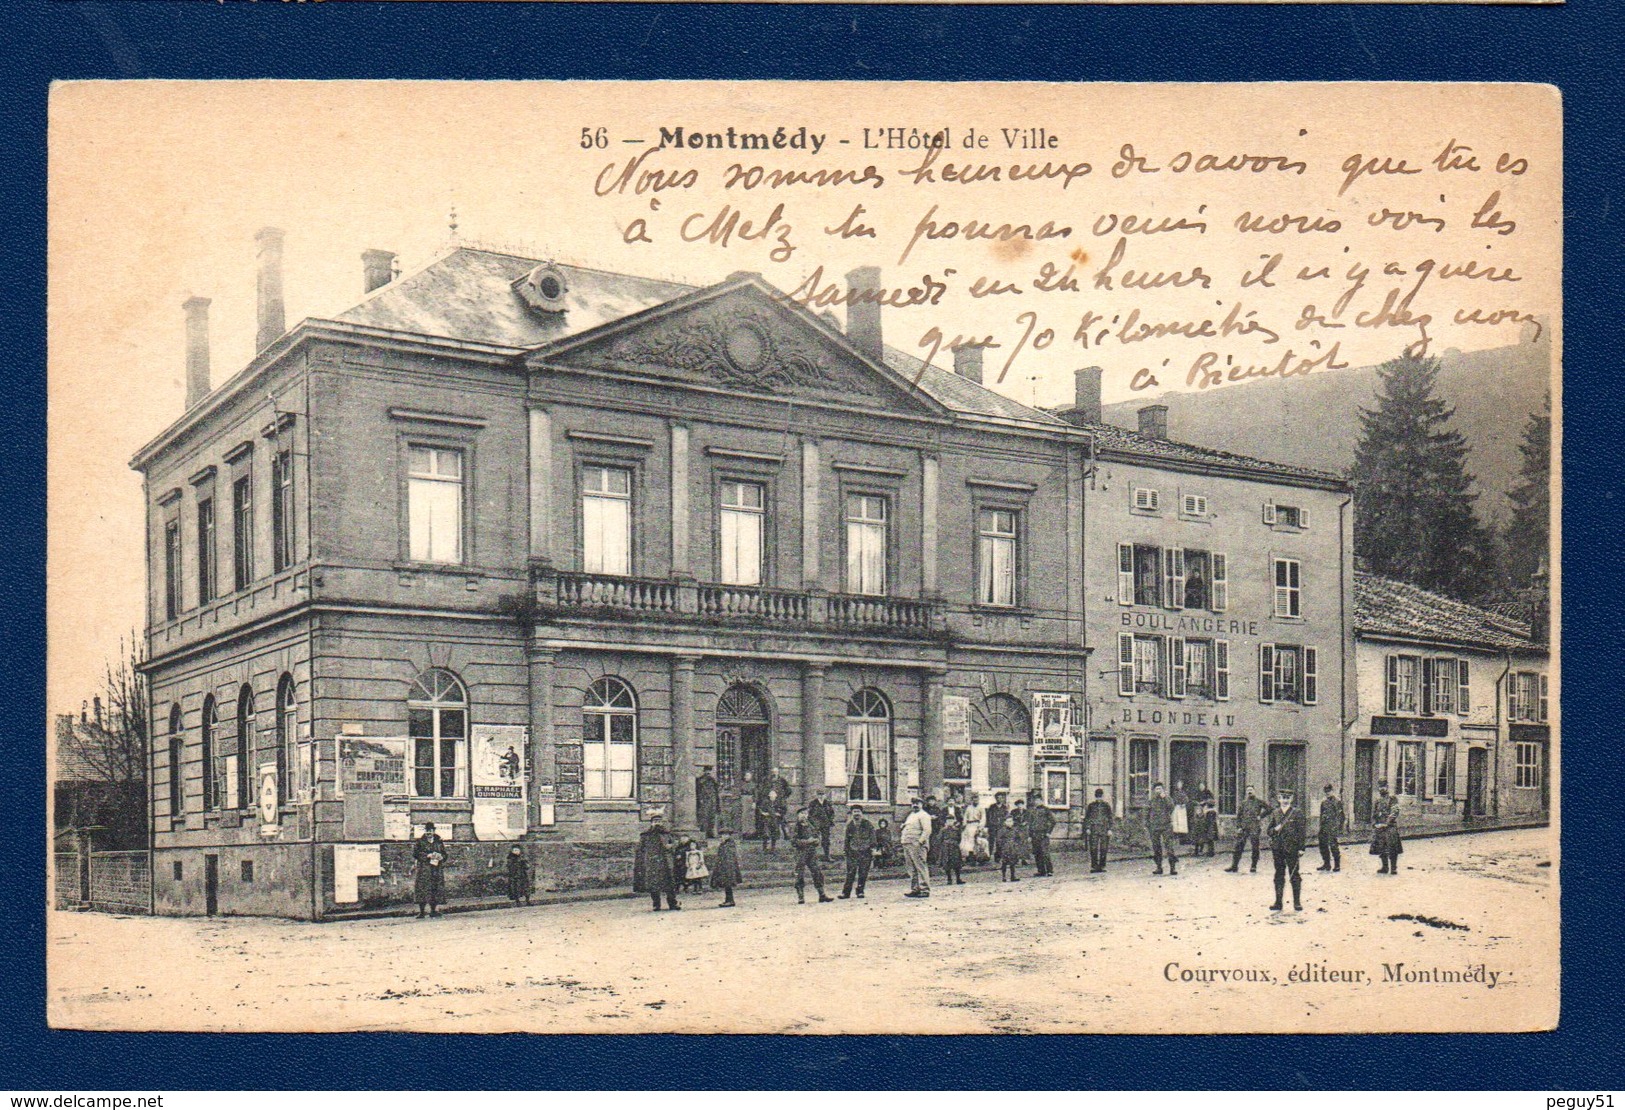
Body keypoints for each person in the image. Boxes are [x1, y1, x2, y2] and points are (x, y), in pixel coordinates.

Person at [1266, 789, 1307, 912]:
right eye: (1283, 798)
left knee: (1294, 874)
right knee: (1279, 874)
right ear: (1279, 799)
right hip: (1278, 849)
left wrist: (1301, 848)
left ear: (1291, 799)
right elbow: (1269, 830)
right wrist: (1275, 829)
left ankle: (1297, 903)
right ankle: (1278, 902)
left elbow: (1301, 832)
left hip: (1292, 848)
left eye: (1287, 798)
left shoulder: (1297, 813)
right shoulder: (1275, 813)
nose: (1285, 800)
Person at [633, 812, 680, 912]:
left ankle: (672, 903)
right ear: (651, 823)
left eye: (659, 821)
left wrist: (671, 846)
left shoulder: (667, 834)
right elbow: (640, 849)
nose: (657, 823)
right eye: (655, 821)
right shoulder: (645, 835)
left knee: (669, 884)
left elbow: (675, 844)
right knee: (654, 885)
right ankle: (656, 904)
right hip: (652, 863)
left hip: (666, 862)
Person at [791, 807, 834, 904]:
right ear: (798, 815)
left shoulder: (810, 825)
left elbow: (816, 835)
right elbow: (794, 841)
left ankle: (822, 895)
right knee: (799, 874)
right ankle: (801, 896)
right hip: (800, 853)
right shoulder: (795, 827)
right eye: (801, 813)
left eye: (805, 813)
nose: (804, 815)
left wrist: (816, 840)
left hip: (811, 852)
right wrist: (807, 841)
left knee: (817, 872)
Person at [1225, 787, 1269, 874]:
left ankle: (1253, 866)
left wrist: (1261, 816)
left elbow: (1269, 809)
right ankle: (1234, 866)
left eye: (1251, 790)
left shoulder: (1259, 802)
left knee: (1255, 847)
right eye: (1248, 790)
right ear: (1246, 792)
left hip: (1254, 827)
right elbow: (1239, 816)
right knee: (1238, 846)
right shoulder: (1243, 803)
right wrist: (1238, 827)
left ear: (1254, 791)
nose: (1249, 792)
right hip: (1244, 827)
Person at [412, 822, 448, 918]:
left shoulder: (439, 841)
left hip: (436, 869)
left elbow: (445, 854)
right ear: (425, 831)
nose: (429, 833)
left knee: (435, 889)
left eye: (431, 831)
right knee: (422, 889)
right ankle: (422, 912)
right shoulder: (420, 841)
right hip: (424, 869)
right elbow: (415, 853)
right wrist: (427, 855)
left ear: (433, 831)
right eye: (427, 831)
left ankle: (433, 911)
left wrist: (441, 857)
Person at [840, 805, 876, 898]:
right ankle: (846, 893)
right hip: (852, 852)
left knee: (863, 872)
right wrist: (845, 850)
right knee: (850, 873)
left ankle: (860, 891)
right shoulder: (850, 825)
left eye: (858, 811)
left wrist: (873, 848)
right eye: (854, 812)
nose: (856, 814)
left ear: (862, 813)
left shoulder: (867, 824)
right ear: (852, 814)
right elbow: (847, 839)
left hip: (865, 851)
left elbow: (872, 837)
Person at [901, 798, 933, 898]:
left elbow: (927, 830)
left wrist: (920, 842)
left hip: (917, 844)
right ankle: (915, 889)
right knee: (911, 868)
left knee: (920, 867)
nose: (915, 805)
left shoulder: (924, 815)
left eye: (917, 803)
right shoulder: (911, 815)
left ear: (922, 804)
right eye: (913, 803)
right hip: (908, 843)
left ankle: (925, 889)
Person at [1146, 782, 1178, 875]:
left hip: (1166, 825)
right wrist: (1147, 824)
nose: (1158, 791)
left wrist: (1165, 798)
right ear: (1154, 791)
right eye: (1156, 789)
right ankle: (1158, 867)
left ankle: (1172, 868)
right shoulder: (1152, 800)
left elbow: (1171, 807)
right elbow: (1147, 812)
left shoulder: (1167, 799)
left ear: (1163, 790)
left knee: (1169, 847)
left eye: (1160, 789)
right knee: (1156, 847)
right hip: (1154, 826)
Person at [1371, 785, 1404, 874]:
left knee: (1392, 847)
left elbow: (1395, 812)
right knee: (1381, 847)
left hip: (1390, 827)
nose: (1382, 789)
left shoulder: (1392, 799)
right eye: (1380, 787)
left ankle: (1393, 868)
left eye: (1383, 786)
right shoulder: (1377, 801)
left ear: (1387, 787)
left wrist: (1386, 823)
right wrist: (1375, 824)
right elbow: (1374, 813)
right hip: (1379, 827)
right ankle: (1384, 867)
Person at [1028, 790, 1057, 877]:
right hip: (1034, 834)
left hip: (1043, 834)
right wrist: (1029, 835)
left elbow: (1053, 821)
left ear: (1041, 800)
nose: (1036, 802)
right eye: (1035, 800)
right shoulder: (1032, 811)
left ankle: (1049, 870)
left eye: (1038, 800)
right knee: (1037, 853)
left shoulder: (1046, 810)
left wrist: (1048, 832)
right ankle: (1041, 871)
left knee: (1045, 853)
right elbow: (1030, 824)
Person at [1317, 784, 1346, 872]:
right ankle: (1326, 864)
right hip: (1324, 827)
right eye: (1326, 792)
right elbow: (1322, 815)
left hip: (1333, 827)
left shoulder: (1337, 802)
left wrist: (1338, 828)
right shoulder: (1324, 803)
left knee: (1333, 846)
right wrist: (1321, 826)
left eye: (1329, 791)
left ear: (1332, 791)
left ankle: (1337, 865)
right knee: (1323, 845)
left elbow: (1341, 816)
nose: (1327, 793)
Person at [1084, 788, 1113, 872]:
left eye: (1100, 796)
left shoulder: (1106, 806)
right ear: (1095, 796)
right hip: (1094, 829)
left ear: (1103, 796)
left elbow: (1110, 818)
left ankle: (1102, 866)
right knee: (1093, 848)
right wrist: (1088, 828)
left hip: (1104, 829)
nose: (1099, 798)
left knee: (1104, 848)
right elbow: (1087, 818)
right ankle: (1094, 866)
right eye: (1097, 797)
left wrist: (1110, 829)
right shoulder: (1091, 806)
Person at [710, 831, 743, 908]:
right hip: (724, 866)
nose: (722, 837)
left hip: (728, 867)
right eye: (721, 835)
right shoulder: (724, 844)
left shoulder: (729, 845)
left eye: (725, 835)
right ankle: (728, 900)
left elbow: (728, 857)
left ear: (728, 836)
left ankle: (730, 900)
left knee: (728, 883)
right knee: (726, 884)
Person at [939, 804, 966, 885]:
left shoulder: (956, 830)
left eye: (951, 820)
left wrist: (955, 844)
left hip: (954, 847)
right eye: (948, 821)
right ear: (946, 822)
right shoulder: (943, 830)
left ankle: (958, 879)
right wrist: (945, 844)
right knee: (947, 863)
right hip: (946, 847)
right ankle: (949, 879)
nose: (950, 822)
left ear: (954, 821)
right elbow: (939, 839)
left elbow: (959, 838)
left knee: (957, 863)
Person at [808, 789, 836, 861]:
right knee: (814, 840)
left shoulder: (827, 803)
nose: (821, 796)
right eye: (819, 794)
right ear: (816, 795)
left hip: (825, 824)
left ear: (825, 795)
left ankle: (827, 856)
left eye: (822, 794)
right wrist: (813, 823)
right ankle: (811, 857)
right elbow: (810, 814)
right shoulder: (813, 803)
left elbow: (832, 813)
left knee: (826, 840)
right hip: (816, 825)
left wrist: (830, 820)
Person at [1193, 782, 1219, 857]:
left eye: (1202, 786)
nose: (1201, 787)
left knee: (1209, 834)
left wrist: (1205, 802)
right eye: (1200, 786)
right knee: (1199, 833)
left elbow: (1212, 801)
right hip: (1200, 815)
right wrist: (1198, 804)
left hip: (1208, 818)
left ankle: (1210, 851)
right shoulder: (1197, 794)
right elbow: (1194, 802)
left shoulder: (1209, 793)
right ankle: (1198, 850)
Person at [960, 791, 986, 863]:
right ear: (972, 800)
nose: (975, 801)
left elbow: (983, 818)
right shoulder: (969, 808)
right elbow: (965, 817)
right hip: (969, 826)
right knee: (968, 841)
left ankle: (979, 857)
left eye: (977, 799)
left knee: (978, 841)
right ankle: (970, 857)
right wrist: (964, 825)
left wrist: (980, 828)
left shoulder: (981, 808)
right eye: (974, 799)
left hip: (977, 825)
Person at [696, 766, 720, 839]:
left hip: (712, 801)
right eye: (707, 771)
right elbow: (698, 791)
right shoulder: (700, 780)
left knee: (712, 817)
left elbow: (716, 791)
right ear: (704, 771)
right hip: (704, 801)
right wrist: (701, 800)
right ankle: (704, 833)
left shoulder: (712, 780)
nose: (708, 772)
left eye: (710, 771)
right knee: (704, 817)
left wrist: (716, 801)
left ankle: (711, 832)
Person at [995, 816, 1021, 882]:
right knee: (1004, 862)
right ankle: (1004, 877)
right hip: (1005, 848)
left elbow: (1018, 838)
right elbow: (998, 839)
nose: (1010, 823)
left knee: (1013, 862)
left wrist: (1016, 845)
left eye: (1011, 821)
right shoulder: (1001, 830)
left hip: (1013, 847)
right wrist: (1002, 845)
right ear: (1005, 822)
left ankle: (1013, 876)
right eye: (1008, 821)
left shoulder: (1015, 830)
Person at [1171, 780, 1191, 845]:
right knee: (1176, 823)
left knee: (1182, 824)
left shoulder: (1184, 792)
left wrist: (1184, 804)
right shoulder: (1175, 792)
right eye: (1178, 784)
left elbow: (1187, 800)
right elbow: (1173, 800)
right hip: (1177, 808)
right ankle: (1176, 840)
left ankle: (1182, 840)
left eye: (1180, 784)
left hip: (1182, 809)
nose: (1179, 786)